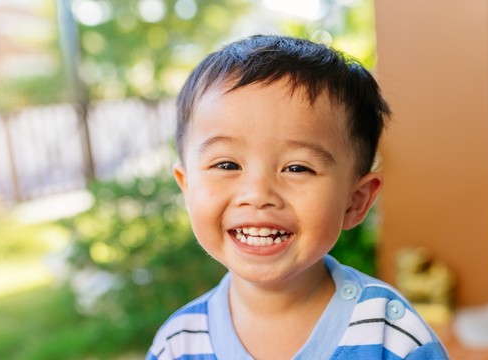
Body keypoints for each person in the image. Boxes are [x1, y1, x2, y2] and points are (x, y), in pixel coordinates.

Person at [146, 35, 449, 359]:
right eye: (227, 164)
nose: (258, 195)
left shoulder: (393, 337)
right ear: (187, 187)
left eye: (297, 168)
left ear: (356, 200)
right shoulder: (178, 345)